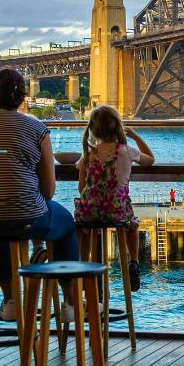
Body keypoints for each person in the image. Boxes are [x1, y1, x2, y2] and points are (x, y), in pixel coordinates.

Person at [0, 68, 79, 320]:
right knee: (66, 223)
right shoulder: (37, 128)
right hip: (24, 219)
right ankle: (70, 302)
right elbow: (48, 189)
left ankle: (11, 298)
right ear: (23, 98)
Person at [74, 104, 154, 292]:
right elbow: (150, 159)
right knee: (131, 225)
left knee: (83, 229)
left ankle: (84, 267)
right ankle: (133, 261)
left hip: (89, 212)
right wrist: (134, 135)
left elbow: (80, 188)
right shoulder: (127, 150)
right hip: (117, 211)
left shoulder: (88, 154)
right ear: (117, 126)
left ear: (92, 130)